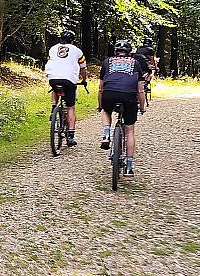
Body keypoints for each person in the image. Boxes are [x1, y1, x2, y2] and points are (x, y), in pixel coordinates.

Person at [98, 40, 146, 177]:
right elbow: (140, 90)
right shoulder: (135, 63)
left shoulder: (107, 62)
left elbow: (101, 88)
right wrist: (142, 107)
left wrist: (100, 105)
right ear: (129, 52)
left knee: (106, 110)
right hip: (129, 97)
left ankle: (106, 135)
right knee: (129, 131)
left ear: (115, 51)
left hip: (109, 94)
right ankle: (129, 167)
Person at [45, 30, 88, 146]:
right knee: (70, 108)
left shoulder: (53, 48)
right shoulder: (78, 51)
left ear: (60, 39)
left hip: (53, 78)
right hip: (69, 79)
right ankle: (70, 136)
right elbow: (83, 69)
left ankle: (53, 107)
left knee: (55, 88)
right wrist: (84, 80)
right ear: (72, 41)